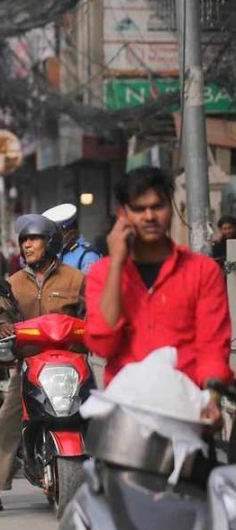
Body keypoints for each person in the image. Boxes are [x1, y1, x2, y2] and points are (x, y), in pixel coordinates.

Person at [85, 167, 232, 396]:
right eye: (139, 209)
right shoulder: (102, 273)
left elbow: (212, 348)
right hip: (126, 409)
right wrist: (116, 264)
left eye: (157, 206)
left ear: (171, 207)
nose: (150, 217)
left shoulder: (202, 270)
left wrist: (211, 400)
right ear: (122, 213)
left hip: (185, 405)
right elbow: (102, 344)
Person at [0, 214, 84, 515]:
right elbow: (3, 314)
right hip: (30, 364)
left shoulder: (75, 279)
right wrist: (0, 326)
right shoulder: (15, 282)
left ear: (50, 242)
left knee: (101, 412)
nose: (27, 245)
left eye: (33, 239)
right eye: (24, 240)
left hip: (73, 363)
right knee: (7, 423)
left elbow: (94, 314)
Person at [42, 203, 101, 273]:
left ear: (71, 233)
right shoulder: (56, 253)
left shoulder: (88, 255)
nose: (53, 238)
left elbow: (88, 283)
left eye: (57, 234)